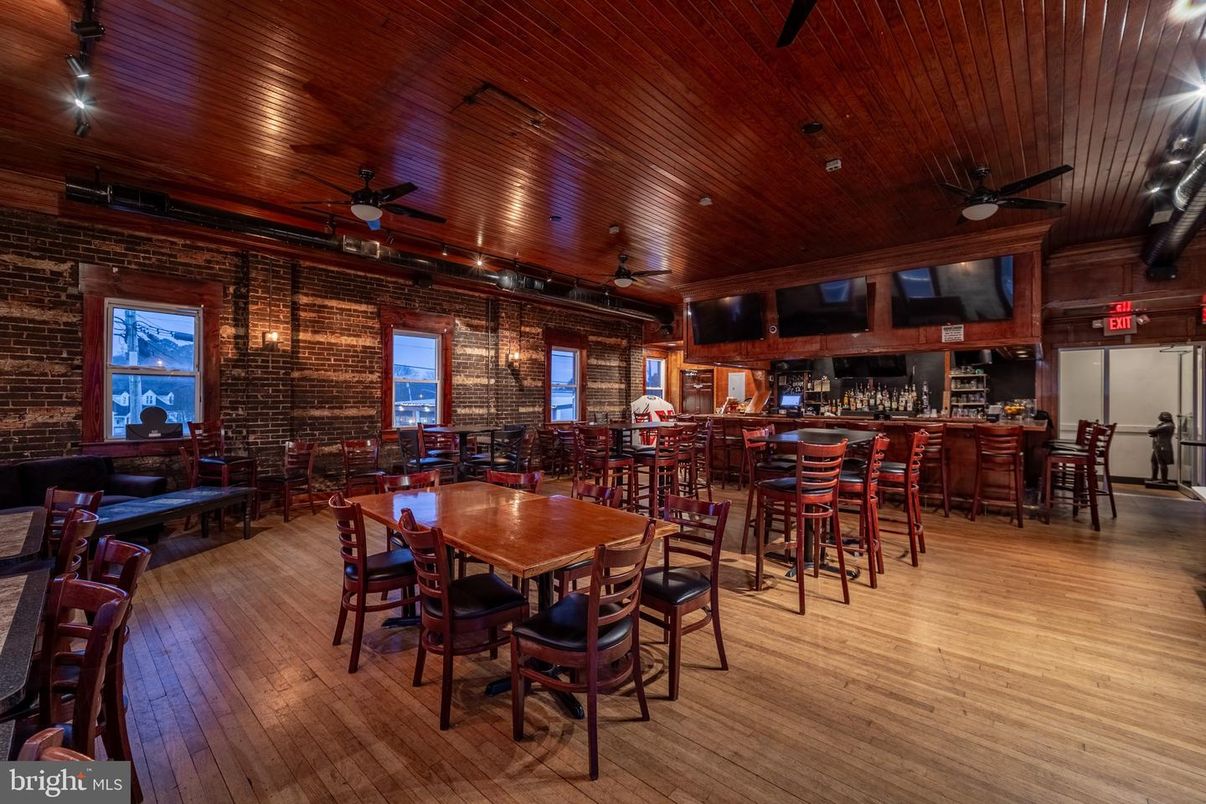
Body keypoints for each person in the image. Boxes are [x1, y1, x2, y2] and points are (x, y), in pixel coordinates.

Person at [1148, 411, 1175, 483]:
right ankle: (1154, 477)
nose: (1159, 417)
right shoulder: (1164, 425)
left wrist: (1154, 432)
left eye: (1160, 416)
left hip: (1162, 446)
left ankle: (1164, 480)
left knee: (1162, 463)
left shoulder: (1168, 425)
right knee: (1153, 461)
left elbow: (1151, 431)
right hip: (1157, 446)